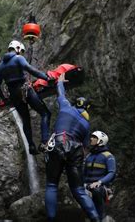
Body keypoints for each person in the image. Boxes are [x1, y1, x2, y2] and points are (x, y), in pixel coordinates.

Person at [41, 73, 100, 222]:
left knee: (52, 184)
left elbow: (60, 92)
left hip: (59, 142)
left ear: (75, 104)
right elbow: (86, 146)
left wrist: (60, 81)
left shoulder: (66, 106)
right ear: (86, 108)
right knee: (79, 190)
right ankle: (96, 219)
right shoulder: (86, 124)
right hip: (76, 149)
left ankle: (51, 220)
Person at [0, 40, 52, 155]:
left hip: (14, 95)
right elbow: (30, 69)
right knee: (45, 113)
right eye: (21, 51)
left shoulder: (1, 66)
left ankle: (31, 146)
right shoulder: (18, 58)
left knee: (26, 120)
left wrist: (4, 98)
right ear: (17, 48)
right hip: (25, 89)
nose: (21, 53)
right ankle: (44, 142)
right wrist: (46, 77)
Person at [84, 130, 117, 221]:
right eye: (91, 137)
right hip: (87, 185)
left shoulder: (108, 156)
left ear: (101, 141)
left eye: (94, 137)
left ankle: (101, 217)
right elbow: (84, 173)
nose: (91, 139)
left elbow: (112, 173)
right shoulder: (89, 156)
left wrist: (99, 182)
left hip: (101, 187)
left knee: (96, 191)